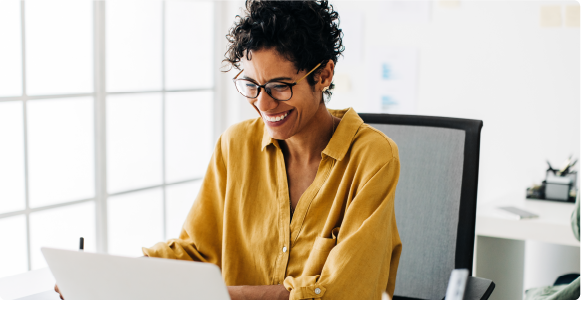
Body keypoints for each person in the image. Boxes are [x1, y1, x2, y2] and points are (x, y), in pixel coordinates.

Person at [56, 0, 402, 300]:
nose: (263, 104)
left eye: (280, 86)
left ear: (324, 75)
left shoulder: (373, 157)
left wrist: (214, 297)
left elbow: (344, 295)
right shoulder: (235, 145)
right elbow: (197, 251)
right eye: (251, 85)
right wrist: (115, 277)